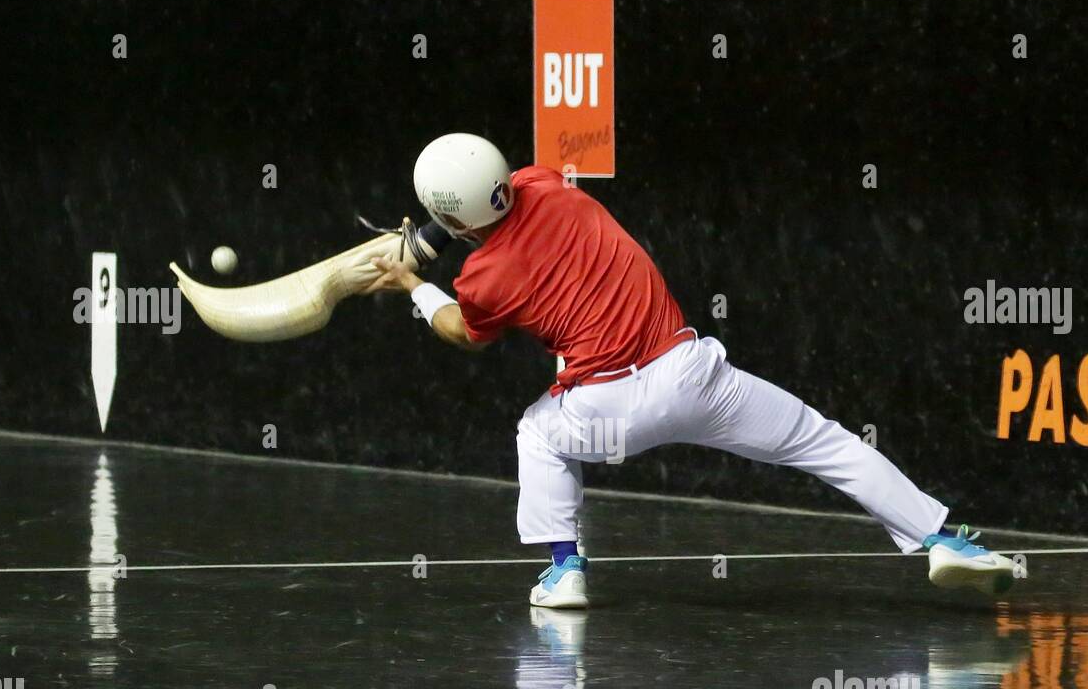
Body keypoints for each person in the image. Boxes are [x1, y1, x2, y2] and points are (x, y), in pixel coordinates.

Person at [371, 133, 1021, 609]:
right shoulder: (546, 183)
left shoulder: (481, 278)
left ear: (455, 222)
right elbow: (485, 201)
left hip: (605, 416)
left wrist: (412, 282)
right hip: (696, 379)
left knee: (536, 434)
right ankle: (943, 539)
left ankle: (565, 571)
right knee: (825, 442)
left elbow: (465, 331)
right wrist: (428, 236)